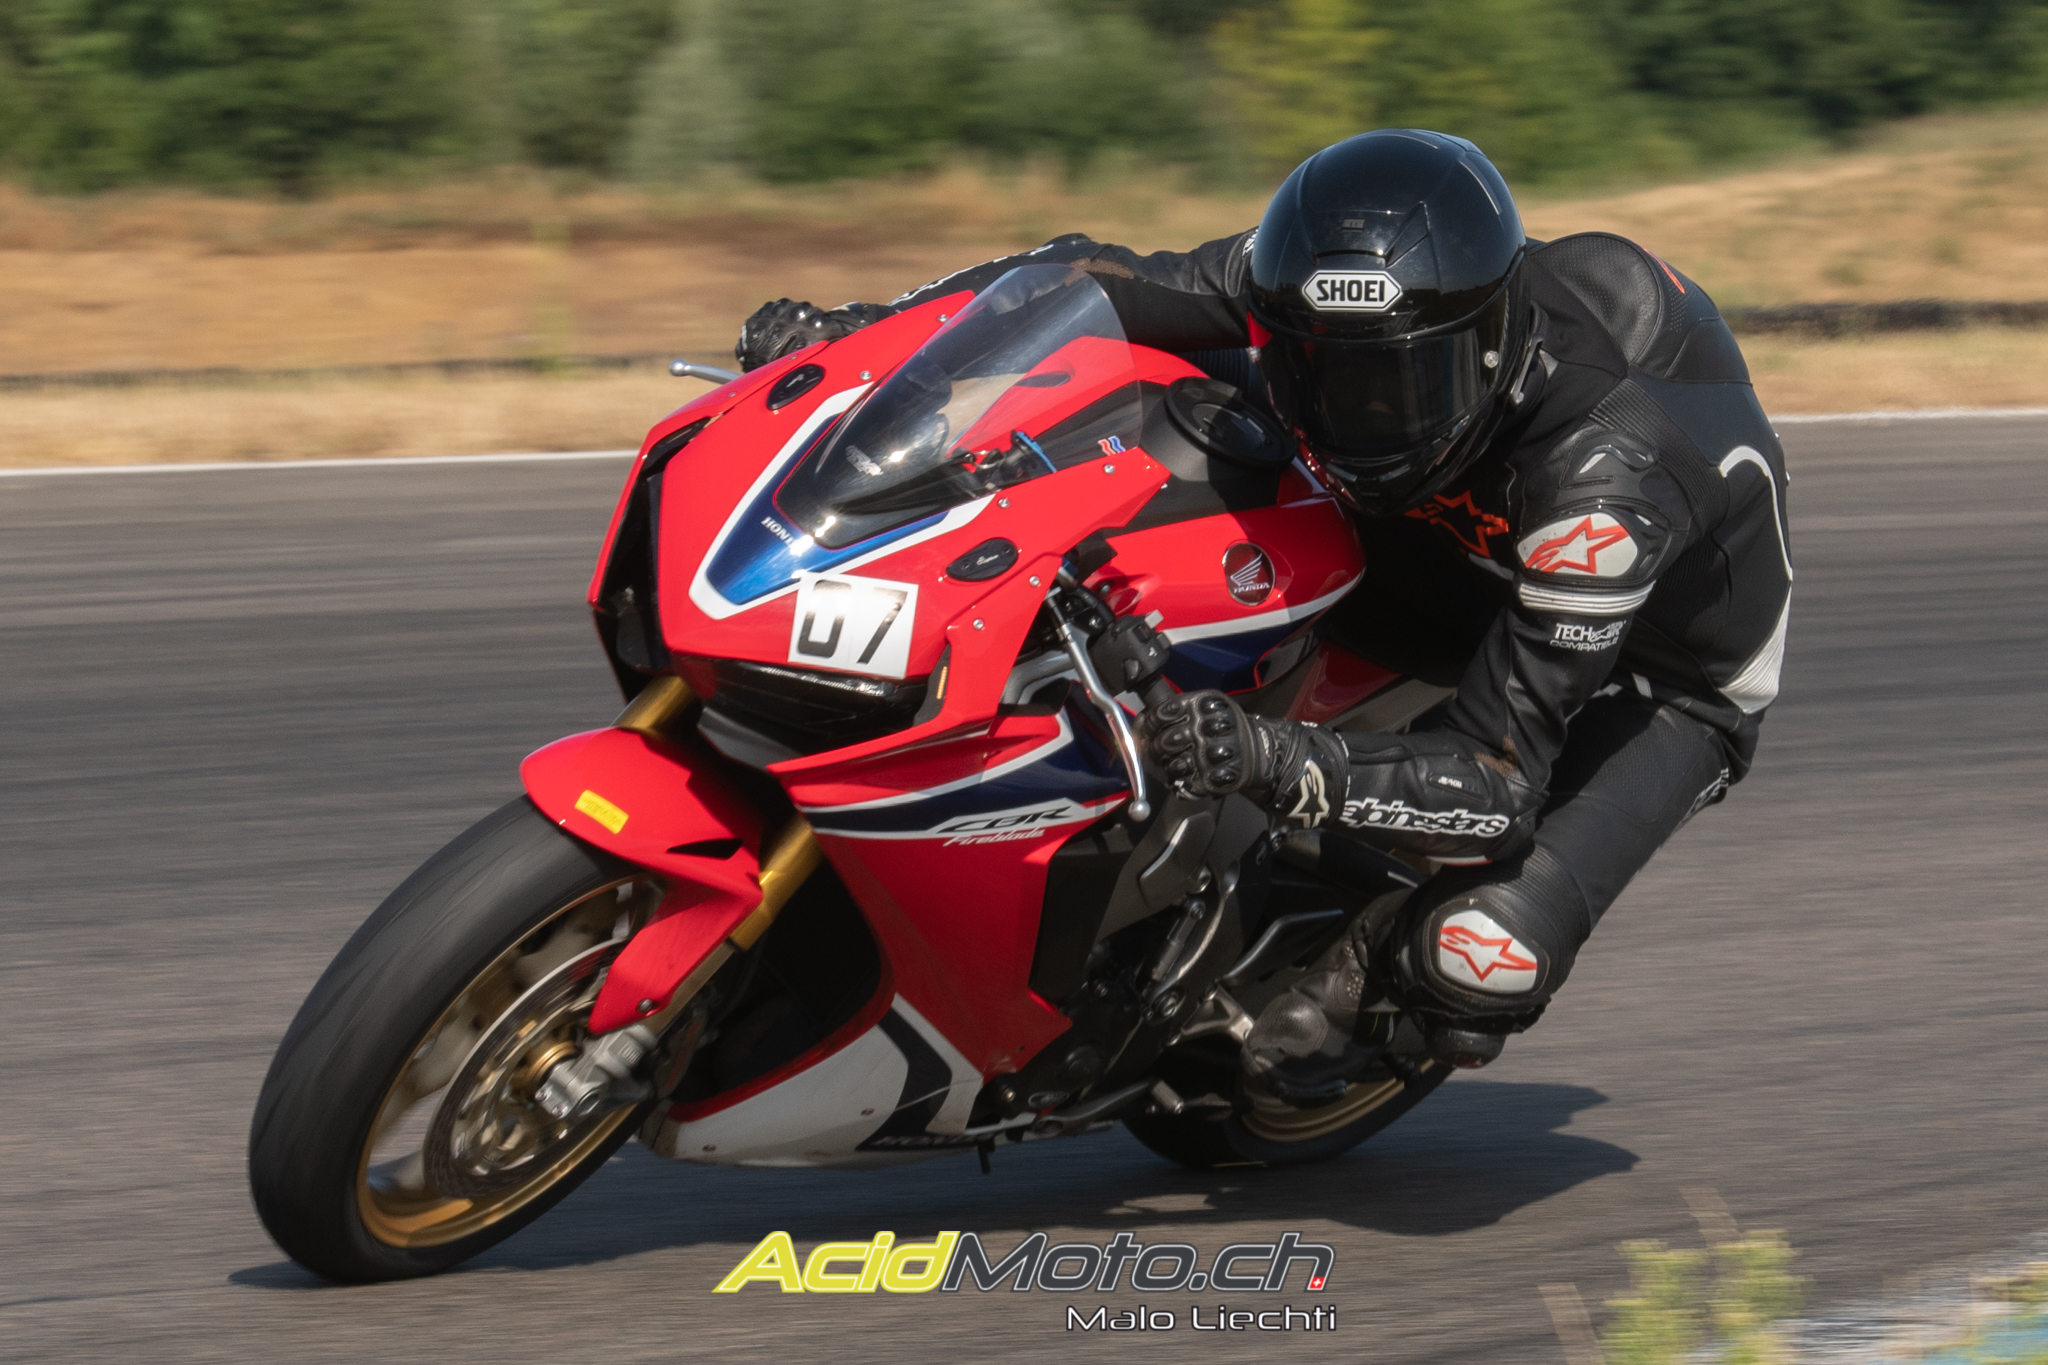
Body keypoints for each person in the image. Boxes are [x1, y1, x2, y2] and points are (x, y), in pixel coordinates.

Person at [733, 129, 1792, 1098]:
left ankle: (1370, 965)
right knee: (1157, 430)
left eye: (1402, 385)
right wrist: (872, 336)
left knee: (1480, 956)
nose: (1357, 416)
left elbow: (1497, 783)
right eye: (1320, 370)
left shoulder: (1602, 486)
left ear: (1489, 347)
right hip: (1433, 537)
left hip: (1649, 669)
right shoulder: (1316, 282)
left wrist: (1271, 758)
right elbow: (1090, 279)